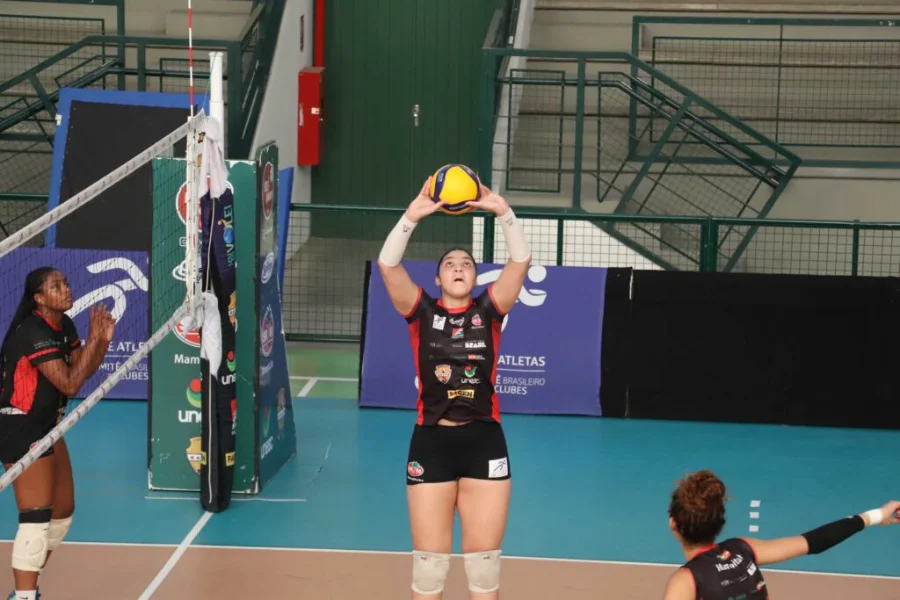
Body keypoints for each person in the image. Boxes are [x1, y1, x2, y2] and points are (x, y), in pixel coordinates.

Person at [377, 178, 531, 599]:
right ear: (439, 277)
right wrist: (411, 217)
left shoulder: (490, 309)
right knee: (428, 573)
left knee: (484, 573)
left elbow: (520, 262)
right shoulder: (420, 312)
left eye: (466, 262)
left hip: (485, 440)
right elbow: (388, 266)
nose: (459, 266)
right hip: (431, 442)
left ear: (476, 276)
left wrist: (502, 210)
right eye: (450, 263)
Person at [0, 267, 114, 600]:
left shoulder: (63, 324)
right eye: (56, 286)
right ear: (39, 298)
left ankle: (26, 584)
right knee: (36, 518)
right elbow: (68, 382)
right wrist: (94, 341)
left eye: (65, 283)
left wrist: (100, 343)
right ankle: (24, 596)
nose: (66, 289)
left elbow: (82, 368)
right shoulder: (32, 332)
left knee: (62, 513)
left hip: (47, 424)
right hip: (19, 425)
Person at [663, 469, 900, 599]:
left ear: (673, 524)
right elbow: (814, 542)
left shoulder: (686, 582)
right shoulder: (743, 549)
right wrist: (877, 515)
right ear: (719, 522)